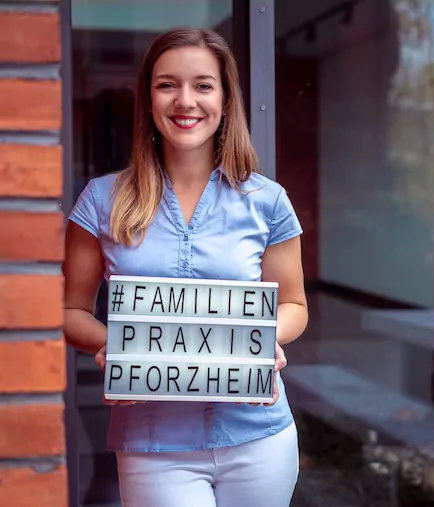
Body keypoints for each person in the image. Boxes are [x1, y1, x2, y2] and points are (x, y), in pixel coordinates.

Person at [63, 27, 308, 507]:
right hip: (155, 446)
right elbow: (71, 311)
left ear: (225, 98)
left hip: (259, 437)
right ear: (149, 99)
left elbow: (295, 304)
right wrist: (120, 347)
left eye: (203, 85)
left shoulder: (268, 201)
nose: (185, 101)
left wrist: (265, 338)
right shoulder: (101, 200)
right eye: (167, 84)